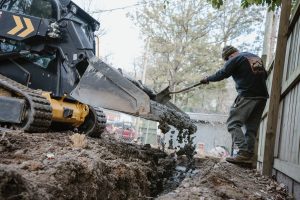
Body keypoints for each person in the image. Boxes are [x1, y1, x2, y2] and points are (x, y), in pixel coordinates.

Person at [200, 45, 269, 165]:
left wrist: (207, 79)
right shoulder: (254, 58)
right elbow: (265, 75)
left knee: (233, 123)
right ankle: (248, 157)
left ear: (229, 56)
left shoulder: (235, 59)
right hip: (262, 97)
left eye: (227, 60)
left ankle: (242, 153)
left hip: (248, 95)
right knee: (251, 129)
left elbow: (223, 73)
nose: (228, 62)